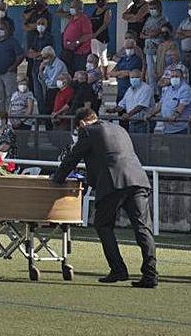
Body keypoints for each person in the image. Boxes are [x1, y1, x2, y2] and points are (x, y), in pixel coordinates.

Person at [52, 108, 157, 288]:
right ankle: (150, 275)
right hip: (138, 179)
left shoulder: (87, 131)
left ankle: (118, 269)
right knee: (142, 228)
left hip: (112, 183)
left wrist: (58, 178)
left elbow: (73, 157)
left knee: (103, 224)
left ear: (83, 123)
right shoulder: (119, 129)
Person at [146, 69, 191, 135]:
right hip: (168, 128)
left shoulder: (185, 89)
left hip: (182, 128)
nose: (174, 78)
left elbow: (182, 105)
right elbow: (161, 104)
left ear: (182, 78)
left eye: (176, 76)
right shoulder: (168, 89)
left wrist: (175, 115)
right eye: (172, 76)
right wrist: (151, 114)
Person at [0, 20, 24, 113]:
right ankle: (0, 118)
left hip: (8, 73)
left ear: (7, 29)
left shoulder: (13, 41)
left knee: (11, 95)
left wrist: (13, 66)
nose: (0, 30)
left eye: (2, 28)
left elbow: (21, 55)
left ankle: (11, 116)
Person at [108, 69, 153, 134]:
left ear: (141, 78)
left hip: (144, 123)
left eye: (136, 77)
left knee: (143, 142)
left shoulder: (146, 89)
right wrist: (113, 110)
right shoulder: (129, 90)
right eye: (132, 77)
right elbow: (122, 105)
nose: (134, 79)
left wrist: (128, 114)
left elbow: (141, 106)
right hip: (132, 122)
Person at [141, 0, 170, 90]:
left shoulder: (163, 19)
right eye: (150, 8)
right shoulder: (149, 19)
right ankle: (152, 91)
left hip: (158, 49)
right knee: (150, 72)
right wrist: (148, 34)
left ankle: (160, 91)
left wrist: (149, 34)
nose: (152, 10)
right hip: (148, 49)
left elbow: (155, 33)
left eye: (154, 8)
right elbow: (142, 34)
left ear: (159, 9)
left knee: (159, 71)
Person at [26, 17, 54, 108]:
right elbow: (30, 52)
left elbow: (47, 52)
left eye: (42, 24)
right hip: (35, 66)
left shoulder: (49, 37)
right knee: (37, 93)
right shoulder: (35, 37)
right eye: (38, 23)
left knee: (45, 92)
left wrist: (39, 54)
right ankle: (40, 115)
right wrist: (36, 54)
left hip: (46, 67)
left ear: (46, 25)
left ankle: (46, 115)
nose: (40, 26)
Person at [38, 46, 68, 129]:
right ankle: (48, 130)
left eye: (45, 57)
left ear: (51, 56)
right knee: (47, 110)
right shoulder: (47, 65)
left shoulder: (59, 65)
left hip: (58, 89)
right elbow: (42, 79)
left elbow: (53, 81)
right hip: (50, 90)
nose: (44, 60)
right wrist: (40, 70)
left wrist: (46, 80)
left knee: (54, 110)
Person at [61, 1, 93, 72]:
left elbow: (88, 35)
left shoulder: (84, 19)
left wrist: (77, 42)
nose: (71, 8)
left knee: (79, 73)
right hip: (70, 52)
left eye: (73, 7)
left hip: (80, 53)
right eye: (71, 7)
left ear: (80, 8)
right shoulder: (72, 19)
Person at [110, 39, 143, 103]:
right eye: (127, 48)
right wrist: (121, 73)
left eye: (130, 48)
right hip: (120, 91)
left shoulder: (137, 60)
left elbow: (133, 73)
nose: (129, 50)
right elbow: (111, 73)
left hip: (132, 90)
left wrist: (122, 73)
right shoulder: (122, 59)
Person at [89, 0, 112, 80]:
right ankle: (96, 73)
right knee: (94, 55)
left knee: (102, 55)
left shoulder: (107, 10)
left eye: (102, 0)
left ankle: (105, 75)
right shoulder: (95, 11)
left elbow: (105, 24)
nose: (100, 2)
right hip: (93, 37)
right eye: (98, 0)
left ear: (106, 1)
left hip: (102, 36)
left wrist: (96, 33)